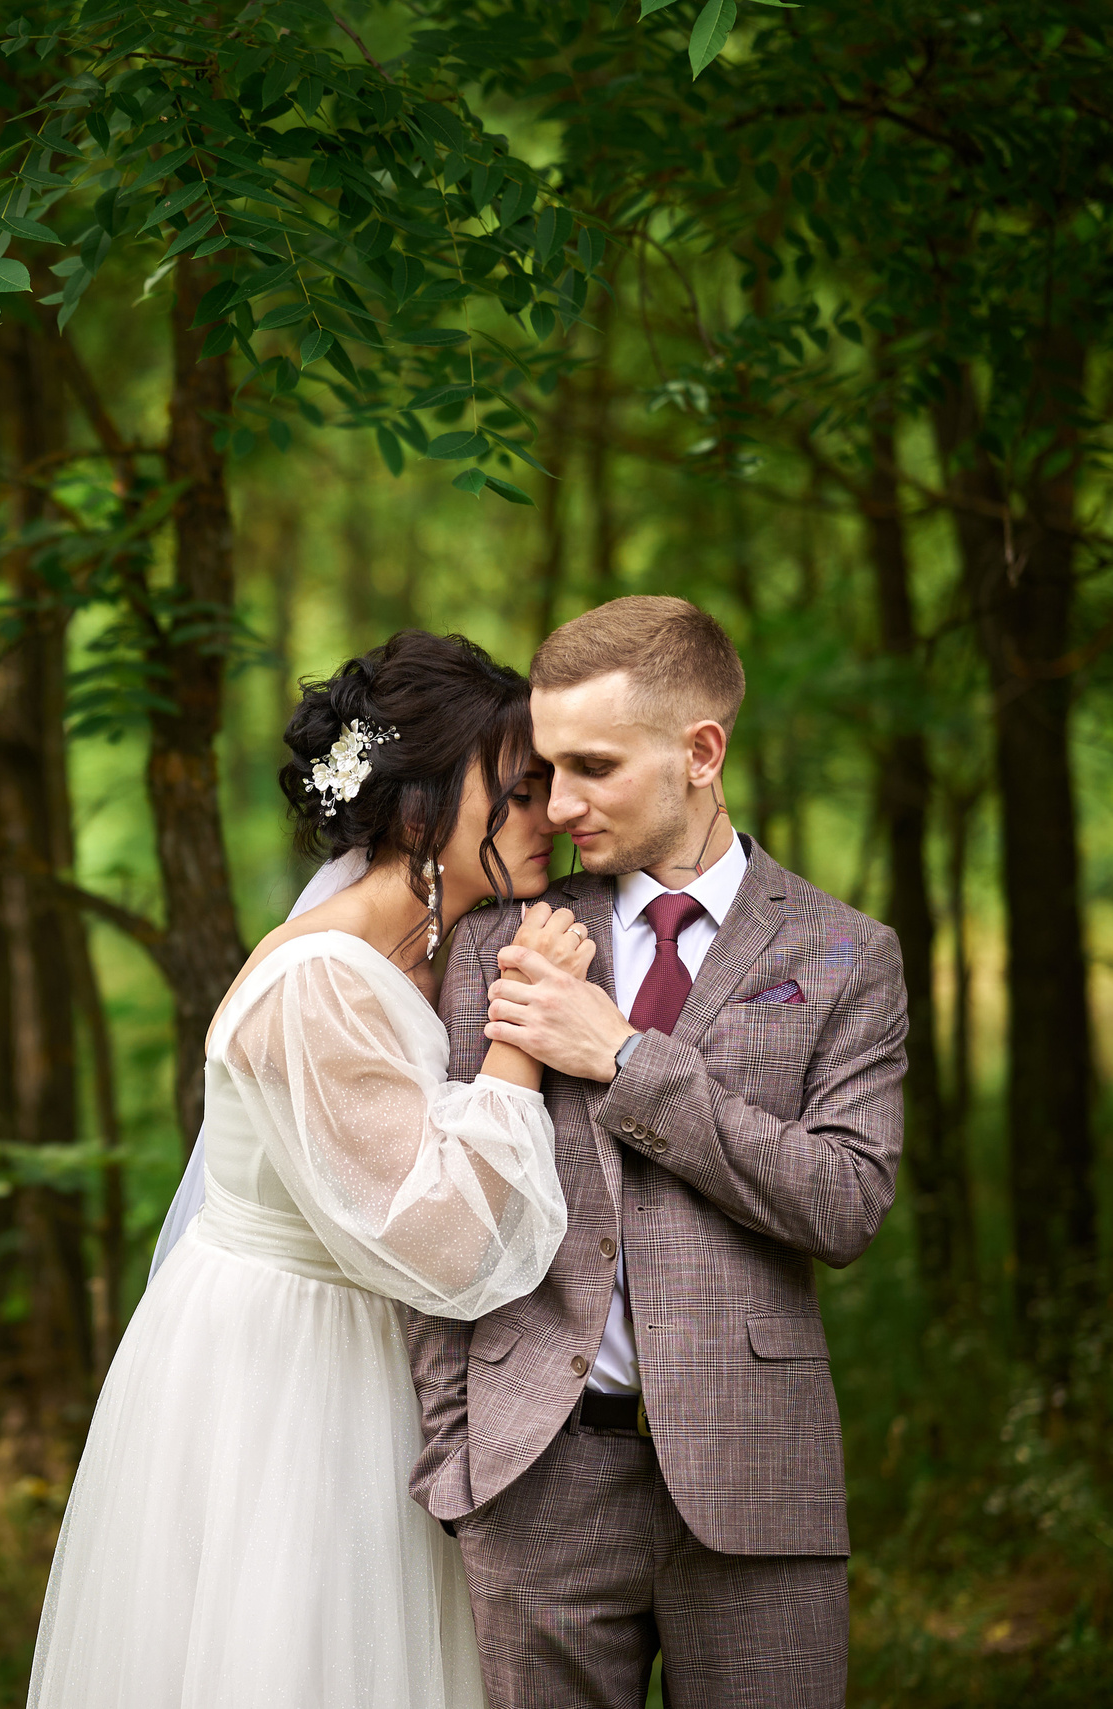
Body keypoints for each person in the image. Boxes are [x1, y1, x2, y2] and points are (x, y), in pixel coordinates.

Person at [27, 630, 580, 1709]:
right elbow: (451, 1243)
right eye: (516, 792)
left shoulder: (433, 940)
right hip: (286, 1374)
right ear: (418, 811)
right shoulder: (320, 978)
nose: (548, 815)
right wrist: (521, 1033)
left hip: (369, 1350)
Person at [409, 596, 907, 1709]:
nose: (560, 803)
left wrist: (625, 1059)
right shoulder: (499, 939)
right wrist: (459, 1460)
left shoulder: (843, 952)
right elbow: (450, 1209)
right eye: (546, 768)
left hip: (756, 1478)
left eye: (593, 765)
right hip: (532, 1479)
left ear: (699, 751)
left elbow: (843, 1201)